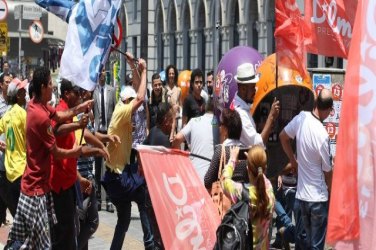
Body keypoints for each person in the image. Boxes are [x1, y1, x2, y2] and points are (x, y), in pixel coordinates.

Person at [6, 67, 92, 249]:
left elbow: (60, 116)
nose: (53, 87)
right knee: (40, 244)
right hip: (35, 191)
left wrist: (80, 109)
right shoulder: (39, 116)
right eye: (51, 84)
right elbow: (56, 152)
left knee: (31, 241)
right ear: (43, 86)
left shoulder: (38, 105)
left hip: (35, 187)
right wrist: (76, 152)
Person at [50, 79, 108, 249]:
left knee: (75, 227)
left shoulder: (69, 112)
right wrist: (77, 124)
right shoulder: (60, 111)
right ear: (67, 93)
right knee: (66, 233)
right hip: (61, 184)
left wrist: (100, 144)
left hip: (70, 180)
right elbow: (56, 131)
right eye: (77, 92)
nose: (80, 95)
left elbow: (84, 137)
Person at [103, 53, 153, 250]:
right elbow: (141, 97)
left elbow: (137, 92)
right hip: (117, 177)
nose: (135, 111)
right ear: (126, 101)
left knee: (123, 220)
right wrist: (145, 69)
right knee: (142, 195)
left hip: (114, 176)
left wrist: (132, 65)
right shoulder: (122, 112)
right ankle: (150, 243)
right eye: (131, 103)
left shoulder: (121, 108)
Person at [279, 89, 333, 250]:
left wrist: (293, 161)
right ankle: (288, 233)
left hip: (301, 197)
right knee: (315, 246)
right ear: (329, 110)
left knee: (302, 243)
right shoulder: (323, 136)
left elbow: (283, 137)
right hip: (318, 199)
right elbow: (328, 171)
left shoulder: (301, 118)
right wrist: (331, 192)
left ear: (316, 102)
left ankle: (287, 233)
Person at [222, 145, 275, 250]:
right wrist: (254, 161)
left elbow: (224, 181)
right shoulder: (270, 192)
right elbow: (261, 175)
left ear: (248, 169)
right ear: (264, 168)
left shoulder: (240, 192)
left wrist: (232, 159)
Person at [143, 102, 175, 249]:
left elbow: (140, 148)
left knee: (157, 238)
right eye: (173, 120)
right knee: (162, 240)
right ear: (167, 121)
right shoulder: (163, 140)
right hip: (159, 198)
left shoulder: (154, 131)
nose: (173, 123)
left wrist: (142, 169)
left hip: (150, 194)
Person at [232, 63, 280, 147]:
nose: (255, 91)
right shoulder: (241, 114)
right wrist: (271, 117)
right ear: (243, 89)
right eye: (252, 87)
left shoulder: (240, 107)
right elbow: (258, 144)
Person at [172, 97, 219, 181]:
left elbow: (177, 138)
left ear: (204, 107)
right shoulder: (221, 126)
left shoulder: (194, 121)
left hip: (194, 175)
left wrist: (177, 161)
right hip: (212, 178)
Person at [0, 78, 27, 217]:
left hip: (9, 173)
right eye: (23, 91)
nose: (25, 93)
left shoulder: (6, 116)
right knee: (24, 216)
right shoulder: (23, 114)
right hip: (22, 171)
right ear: (17, 95)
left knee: (17, 214)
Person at [204, 108, 248, 189]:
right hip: (242, 198)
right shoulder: (245, 150)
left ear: (226, 129)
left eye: (221, 124)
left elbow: (207, 181)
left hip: (225, 198)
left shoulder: (221, 150)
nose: (219, 127)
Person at [93, 68, 116, 212]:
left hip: (108, 132)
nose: (102, 74)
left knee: (108, 165)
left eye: (103, 72)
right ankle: (97, 199)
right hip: (96, 133)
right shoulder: (93, 91)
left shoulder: (111, 91)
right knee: (97, 165)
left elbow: (114, 111)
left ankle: (108, 200)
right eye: (100, 72)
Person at [165, 65, 181, 139]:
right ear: (167, 75)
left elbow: (180, 105)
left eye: (173, 73)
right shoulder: (164, 89)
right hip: (166, 121)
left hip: (176, 122)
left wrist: (178, 107)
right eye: (170, 73)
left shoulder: (178, 90)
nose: (171, 75)